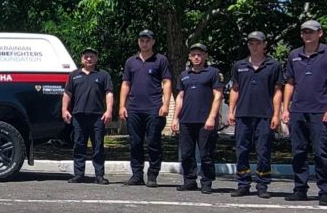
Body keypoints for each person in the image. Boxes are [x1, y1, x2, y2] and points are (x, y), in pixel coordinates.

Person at [282, 19, 327, 206]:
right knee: (298, 152)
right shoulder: (294, 55)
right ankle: (300, 189)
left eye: (311, 32)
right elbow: (289, 83)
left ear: (320, 33)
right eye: (304, 32)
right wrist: (286, 109)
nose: (307, 35)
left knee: (321, 152)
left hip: (321, 111)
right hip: (298, 110)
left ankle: (325, 191)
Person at [227, 31, 283, 198]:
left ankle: (262, 185)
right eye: (251, 43)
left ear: (264, 44)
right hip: (243, 114)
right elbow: (234, 90)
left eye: (258, 43)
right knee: (242, 150)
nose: (254, 46)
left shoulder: (274, 66)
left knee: (263, 151)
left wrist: (276, 115)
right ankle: (243, 183)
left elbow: (278, 91)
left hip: (265, 115)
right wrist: (231, 111)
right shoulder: (239, 65)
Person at [119, 29, 173, 187]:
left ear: (153, 42)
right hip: (134, 108)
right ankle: (136, 174)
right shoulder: (131, 62)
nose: (145, 43)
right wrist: (122, 106)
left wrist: (166, 104)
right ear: (138, 42)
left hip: (154, 108)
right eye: (142, 40)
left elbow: (167, 82)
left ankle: (152, 174)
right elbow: (125, 84)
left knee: (153, 142)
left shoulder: (160, 60)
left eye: (148, 40)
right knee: (135, 142)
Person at [171, 43, 224, 194]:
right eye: (193, 54)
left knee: (206, 153)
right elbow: (180, 97)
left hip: (205, 121)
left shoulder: (213, 73)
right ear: (189, 57)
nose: (196, 57)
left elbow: (218, 96)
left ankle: (206, 182)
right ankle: (189, 181)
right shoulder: (184, 75)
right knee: (187, 153)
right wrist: (175, 119)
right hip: (186, 120)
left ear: (205, 56)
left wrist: (212, 117)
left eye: (199, 54)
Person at [61, 48, 114, 184]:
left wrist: (108, 111)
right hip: (78, 116)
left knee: (98, 146)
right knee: (79, 145)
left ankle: (99, 175)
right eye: (86, 57)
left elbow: (109, 93)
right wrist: (64, 109)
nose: (89, 59)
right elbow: (67, 94)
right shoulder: (74, 75)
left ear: (96, 59)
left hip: (97, 117)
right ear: (82, 59)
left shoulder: (103, 75)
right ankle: (79, 174)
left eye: (91, 57)